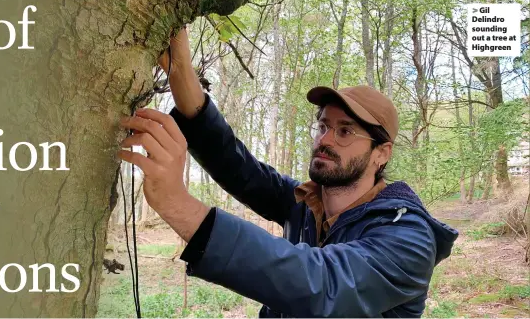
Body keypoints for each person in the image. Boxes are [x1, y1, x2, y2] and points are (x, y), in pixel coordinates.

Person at [117, 27, 459, 318]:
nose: (325, 139)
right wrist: (180, 70)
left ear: (381, 154)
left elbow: (322, 283)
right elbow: (236, 166)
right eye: (323, 125)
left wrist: (176, 202)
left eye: (345, 131)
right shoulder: (305, 203)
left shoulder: (409, 239)